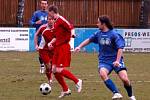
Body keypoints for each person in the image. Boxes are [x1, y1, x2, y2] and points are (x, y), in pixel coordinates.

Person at [75, 15, 136, 100]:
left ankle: (131, 96)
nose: (97, 24)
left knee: (125, 79)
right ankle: (116, 93)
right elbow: (89, 40)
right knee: (102, 73)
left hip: (116, 60)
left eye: (98, 22)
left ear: (103, 24)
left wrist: (118, 61)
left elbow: (120, 48)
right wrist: (79, 46)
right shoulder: (98, 33)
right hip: (104, 61)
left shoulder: (114, 34)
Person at [47, 5, 82, 98]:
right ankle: (66, 90)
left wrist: (73, 34)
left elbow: (71, 27)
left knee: (59, 69)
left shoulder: (61, 19)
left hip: (63, 47)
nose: (49, 15)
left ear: (52, 12)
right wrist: (51, 42)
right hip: (57, 48)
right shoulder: (55, 22)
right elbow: (56, 36)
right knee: (54, 70)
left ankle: (77, 81)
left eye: (49, 13)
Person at [34, 15, 55, 84]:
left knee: (52, 67)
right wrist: (36, 45)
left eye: (52, 19)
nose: (51, 21)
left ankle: (49, 75)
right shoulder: (43, 27)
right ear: (47, 20)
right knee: (48, 66)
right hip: (43, 50)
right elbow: (36, 35)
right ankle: (50, 79)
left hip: (53, 49)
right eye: (49, 19)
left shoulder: (57, 28)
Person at [29, 0, 48, 74]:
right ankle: (42, 65)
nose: (44, 5)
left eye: (45, 4)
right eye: (42, 3)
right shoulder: (36, 13)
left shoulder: (49, 13)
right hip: (40, 36)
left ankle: (49, 66)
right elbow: (30, 22)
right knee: (41, 52)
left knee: (50, 52)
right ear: (40, 4)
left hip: (49, 36)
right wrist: (35, 23)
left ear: (47, 5)